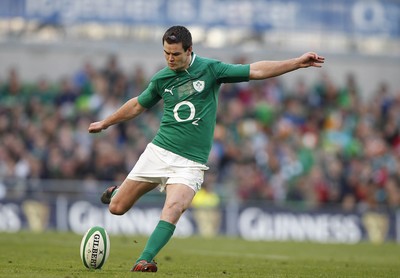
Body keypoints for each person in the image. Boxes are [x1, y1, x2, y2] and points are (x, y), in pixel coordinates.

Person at [88, 25, 325, 272]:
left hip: (190, 162)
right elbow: (137, 105)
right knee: (117, 208)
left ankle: (144, 259)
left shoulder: (210, 69)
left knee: (174, 207)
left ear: (189, 50)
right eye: (166, 53)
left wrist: (297, 62)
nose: (170, 58)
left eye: (176, 54)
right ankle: (116, 194)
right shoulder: (161, 79)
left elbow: (255, 70)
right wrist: (106, 122)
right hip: (159, 152)